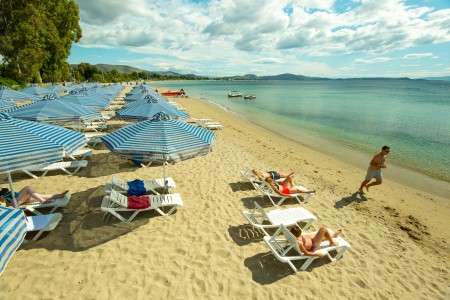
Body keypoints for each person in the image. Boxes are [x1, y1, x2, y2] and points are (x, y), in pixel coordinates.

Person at [0, 186, 68, 207]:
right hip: (13, 203)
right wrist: (3, 199)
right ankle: (43, 201)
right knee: (28, 188)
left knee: (36, 195)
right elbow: (7, 205)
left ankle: (58, 196)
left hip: (16, 197)